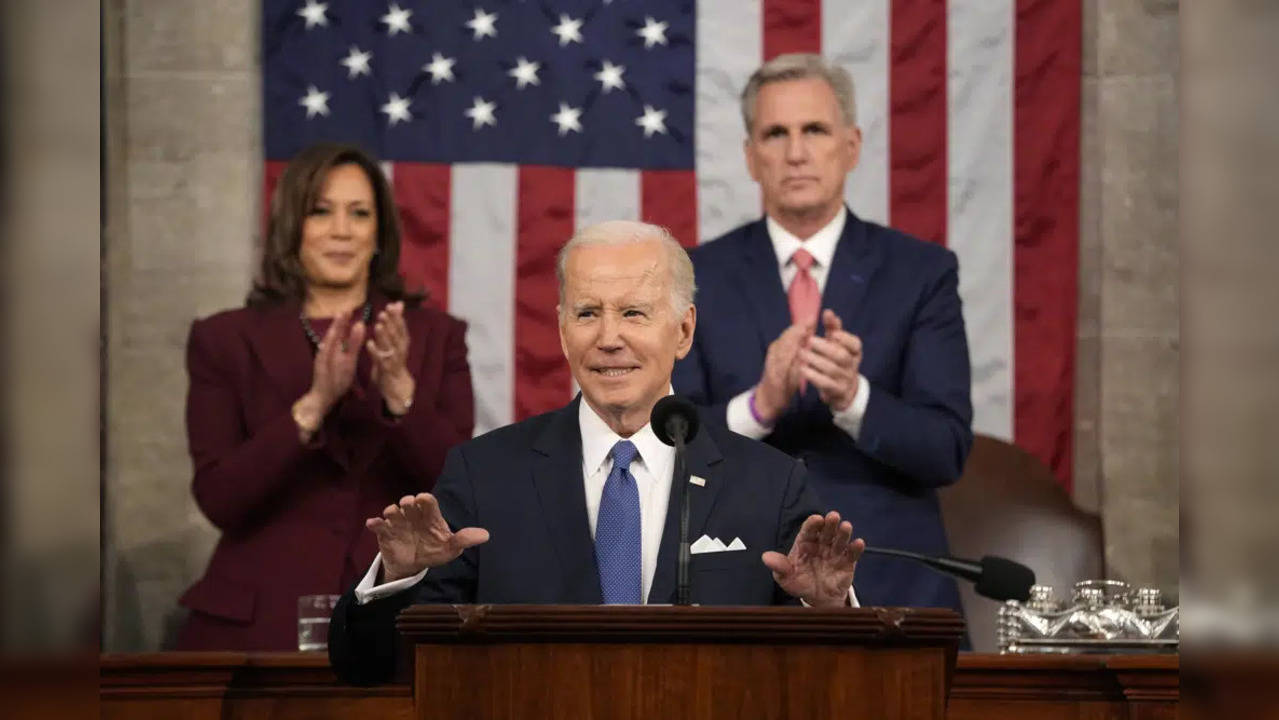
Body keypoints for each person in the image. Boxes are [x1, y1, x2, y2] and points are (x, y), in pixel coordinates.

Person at [328, 221, 865, 685]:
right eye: (587, 314)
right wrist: (399, 576)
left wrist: (826, 610)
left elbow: (834, 682)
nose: (609, 338)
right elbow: (370, 667)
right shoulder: (484, 477)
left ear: (683, 331)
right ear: (562, 332)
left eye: (633, 313)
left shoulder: (770, 487)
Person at [672, 54, 973, 616]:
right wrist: (759, 407)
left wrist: (852, 397)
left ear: (851, 146)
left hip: (889, 582)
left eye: (814, 130)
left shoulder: (921, 273)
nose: (796, 152)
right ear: (750, 156)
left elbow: (946, 450)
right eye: (775, 133)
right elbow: (663, 445)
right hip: (738, 579)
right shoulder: (694, 276)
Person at [176, 143, 475, 650]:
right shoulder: (224, 340)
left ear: (379, 232)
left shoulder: (434, 336)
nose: (341, 230)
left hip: (395, 620)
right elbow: (219, 499)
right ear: (293, 226)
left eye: (359, 213)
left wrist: (401, 392)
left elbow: (456, 490)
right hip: (257, 625)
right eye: (321, 211)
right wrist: (312, 406)